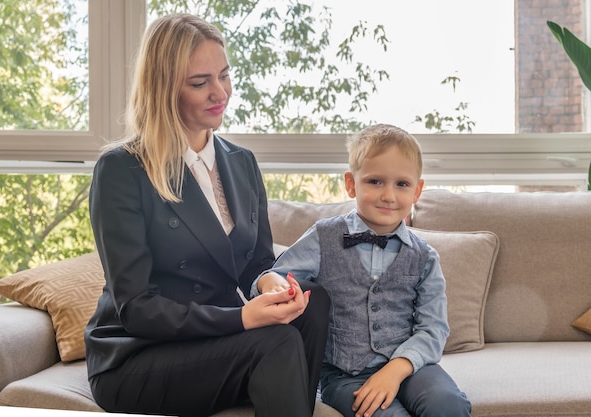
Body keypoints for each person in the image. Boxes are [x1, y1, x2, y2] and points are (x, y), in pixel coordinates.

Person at [85, 13, 329, 417]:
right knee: (276, 342)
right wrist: (242, 319)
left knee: (312, 301)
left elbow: (257, 261)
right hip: (138, 355)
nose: (221, 93)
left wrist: (267, 282)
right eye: (200, 83)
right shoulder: (122, 170)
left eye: (224, 75)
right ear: (164, 90)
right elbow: (138, 307)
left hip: (212, 344)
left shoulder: (242, 162)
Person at [253, 124, 471, 417]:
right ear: (351, 184)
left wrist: (396, 369)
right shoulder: (323, 237)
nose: (388, 195)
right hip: (345, 375)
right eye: (375, 181)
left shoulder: (425, 257)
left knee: (447, 405)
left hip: (410, 367)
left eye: (402, 184)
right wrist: (270, 282)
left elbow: (434, 328)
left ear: (418, 190)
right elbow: (275, 275)